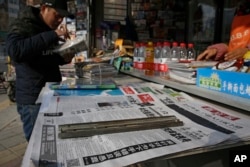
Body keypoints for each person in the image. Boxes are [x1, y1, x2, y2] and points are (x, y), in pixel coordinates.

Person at [6, 0, 75, 141]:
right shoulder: (24, 23)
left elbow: (44, 56)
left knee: (52, 143)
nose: (60, 20)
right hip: (33, 99)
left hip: (51, 93)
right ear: (44, 9)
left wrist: (63, 57)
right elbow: (15, 51)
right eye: (57, 15)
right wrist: (53, 35)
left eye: (62, 17)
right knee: (37, 147)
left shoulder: (48, 28)